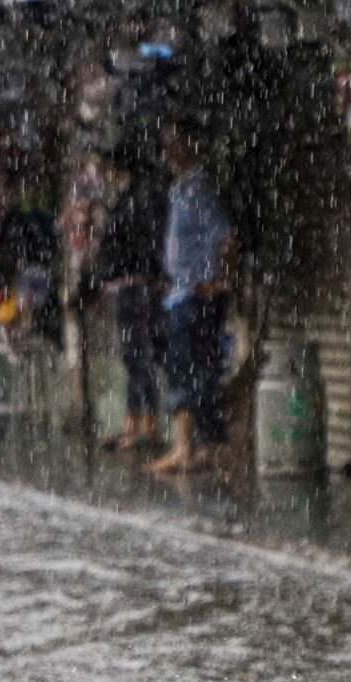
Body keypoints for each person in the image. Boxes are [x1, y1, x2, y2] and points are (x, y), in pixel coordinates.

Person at [147, 119, 234, 475]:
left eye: (174, 141)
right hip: (180, 294)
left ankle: (188, 448)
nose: (167, 150)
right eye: (165, 142)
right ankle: (205, 447)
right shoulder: (179, 190)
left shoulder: (198, 191)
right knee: (191, 370)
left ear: (192, 146)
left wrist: (222, 280)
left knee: (190, 371)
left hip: (195, 298)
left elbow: (227, 238)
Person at [92, 138, 166, 451]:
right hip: (123, 287)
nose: (103, 173)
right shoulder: (124, 198)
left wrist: (152, 275)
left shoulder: (139, 198)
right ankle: (132, 422)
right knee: (132, 356)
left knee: (139, 356)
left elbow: (145, 242)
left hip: (135, 287)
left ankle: (145, 425)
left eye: (107, 166)